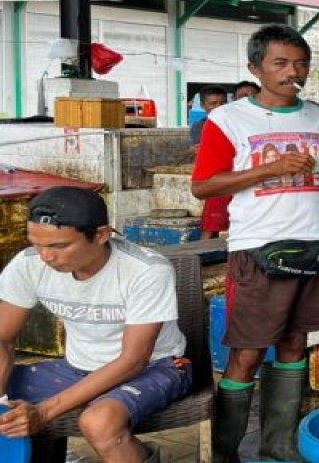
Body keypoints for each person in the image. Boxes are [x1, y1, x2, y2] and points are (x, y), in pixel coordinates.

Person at [192, 24, 319, 463]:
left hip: (316, 242)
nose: (294, 72)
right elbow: (204, 187)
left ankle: (279, 445)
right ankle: (226, 452)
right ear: (256, 68)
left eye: (301, 63)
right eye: (281, 63)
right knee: (247, 352)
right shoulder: (226, 119)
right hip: (258, 246)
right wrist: (268, 170)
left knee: (293, 343)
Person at [0, 187, 189, 463]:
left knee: (99, 422)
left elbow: (134, 360)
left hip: (154, 367)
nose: (45, 257)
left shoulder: (145, 270)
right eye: (37, 244)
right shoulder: (29, 264)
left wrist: (42, 413)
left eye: (59, 246)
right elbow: (3, 338)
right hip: (77, 368)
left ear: (101, 235)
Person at [191, 86, 232, 241]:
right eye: (213, 103)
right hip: (217, 179)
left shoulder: (235, 123)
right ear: (203, 105)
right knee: (211, 226)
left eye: (222, 103)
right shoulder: (200, 127)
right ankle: (200, 258)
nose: (218, 107)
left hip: (236, 177)